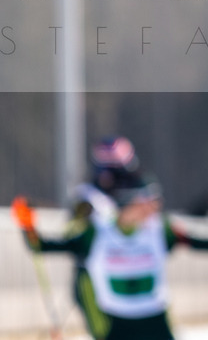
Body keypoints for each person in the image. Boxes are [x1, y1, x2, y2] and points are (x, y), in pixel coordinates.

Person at [12, 173, 208, 340]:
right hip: (116, 323)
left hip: (154, 322)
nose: (155, 208)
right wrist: (27, 225)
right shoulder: (96, 234)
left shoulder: (159, 230)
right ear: (130, 202)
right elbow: (41, 247)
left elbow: (202, 242)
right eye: (149, 201)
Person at [66, 136, 142, 339]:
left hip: (129, 274)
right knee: (105, 333)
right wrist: (85, 218)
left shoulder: (138, 195)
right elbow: (72, 234)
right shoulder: (87, 197)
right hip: (92, 277)